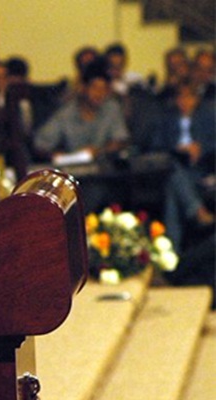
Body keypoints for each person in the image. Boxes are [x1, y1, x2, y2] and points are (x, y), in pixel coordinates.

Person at [34, 58, 130, 212]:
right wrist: (54, 154)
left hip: (104, 175)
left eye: (103, 89)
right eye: (95, 88)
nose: (99, 94)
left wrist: (99, 151)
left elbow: (121, 140)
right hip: (73, 176)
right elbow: (40, 143)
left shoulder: (111, 108)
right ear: (84, 88)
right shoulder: (67, 113)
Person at [151, 80, 215, 254]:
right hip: (173, 166)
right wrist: (176, 150)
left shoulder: (209, 116)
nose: (184, 102)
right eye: (181, 97)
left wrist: (201, 148)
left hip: (200, 170)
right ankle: (197, 210)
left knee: (173, 188)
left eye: (189, 97)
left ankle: (172, 255)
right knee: (173, 169)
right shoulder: (167, 118)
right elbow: (155, 148)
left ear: (197, 99)